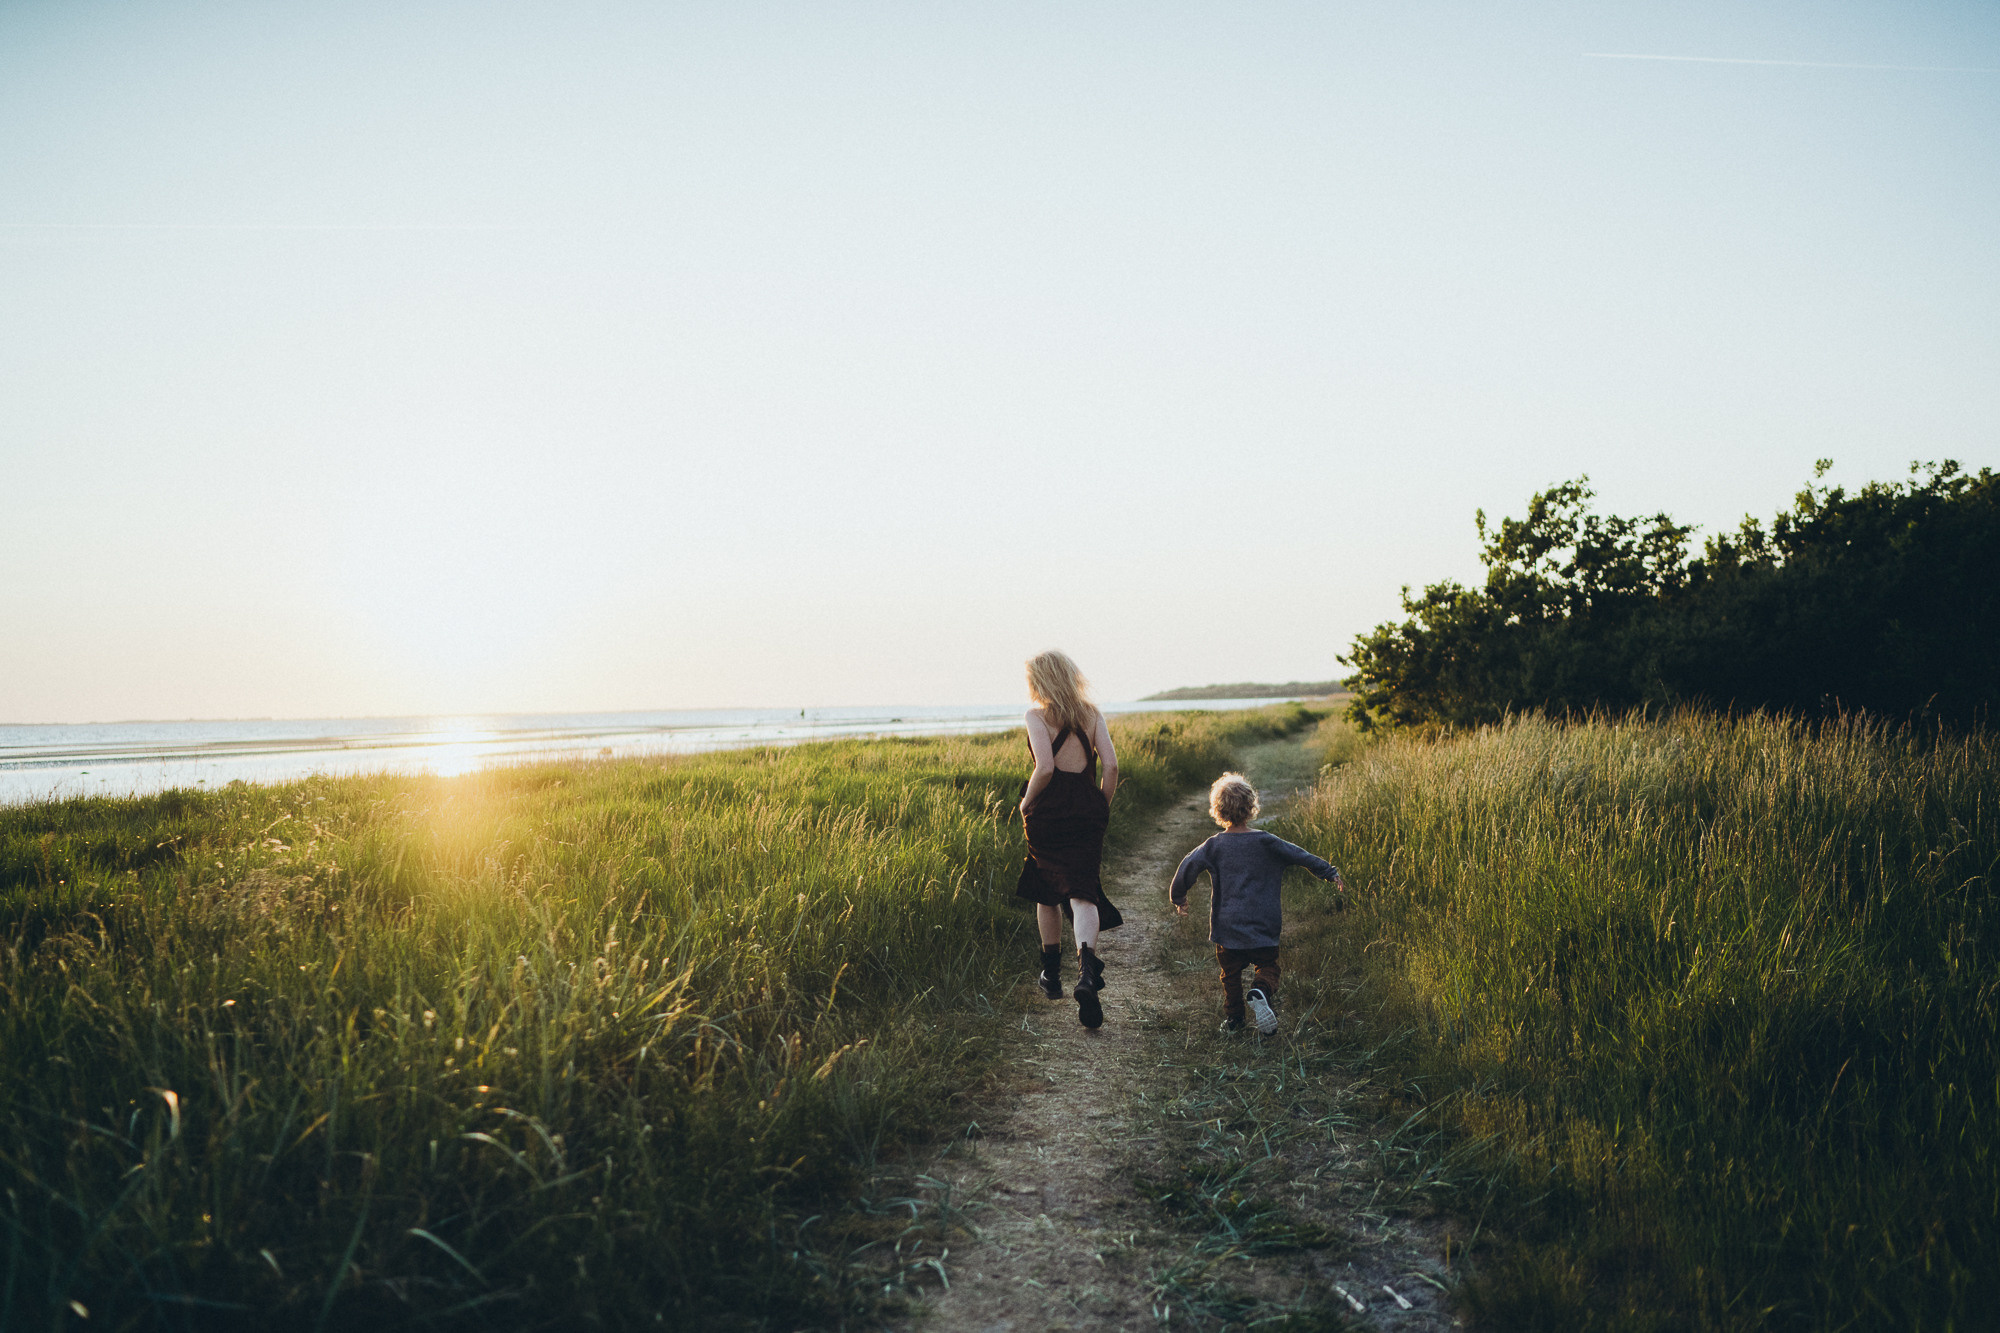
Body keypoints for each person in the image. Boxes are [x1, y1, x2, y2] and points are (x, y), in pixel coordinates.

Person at [1169, 772, 1346, 1034]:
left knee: (1230, 976)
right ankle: (1260, 991)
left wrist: (1179, 896)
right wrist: (1328, 871)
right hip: (1264, 923)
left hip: (1227, 927)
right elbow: (1300, 855)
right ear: (1251, 807)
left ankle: (1235, 1020)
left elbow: (1188, 866)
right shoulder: (1266, 841)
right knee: (1268, 967)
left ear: (1217, 811)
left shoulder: (1213, 846)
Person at [1014, 650, 1122, 1029]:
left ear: (1039, 680)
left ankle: (1051, 975)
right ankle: (1087, 973)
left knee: (1046, 889)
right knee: (1083, 892)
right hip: (1086, 811)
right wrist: (1100, 805)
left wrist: (1026, 804)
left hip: (1048, 812)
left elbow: (1044, 768)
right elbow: (1110, 765)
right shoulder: (1091, 713)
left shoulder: (1036, 716)